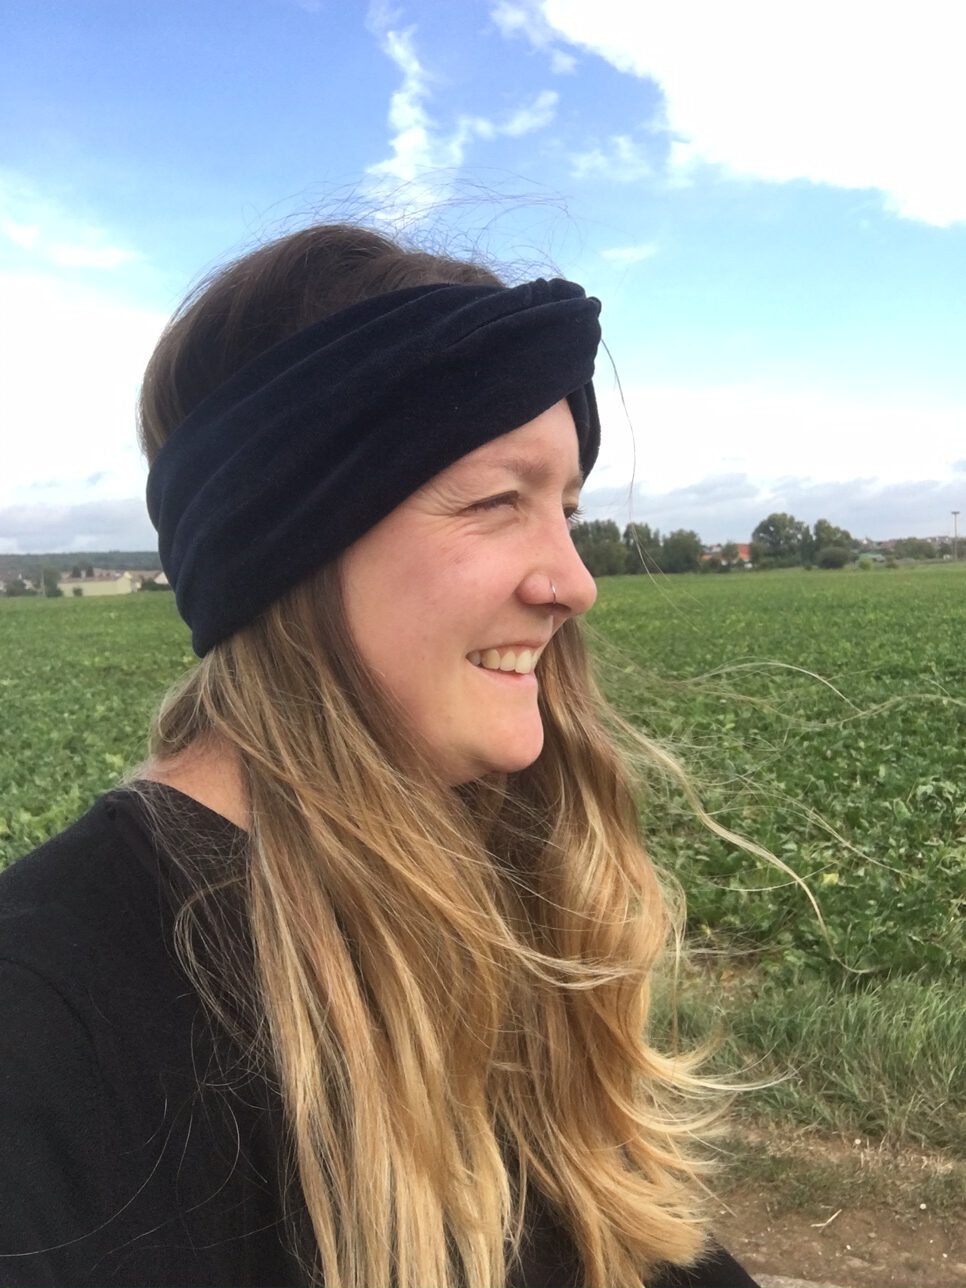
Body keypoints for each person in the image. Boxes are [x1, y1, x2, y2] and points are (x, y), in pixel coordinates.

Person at [0, 224, 758, 1288]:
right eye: (497, 501)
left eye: (567, 510)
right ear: (286, 539)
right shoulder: (42, 1018)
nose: (575, 582)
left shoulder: (499, 896)